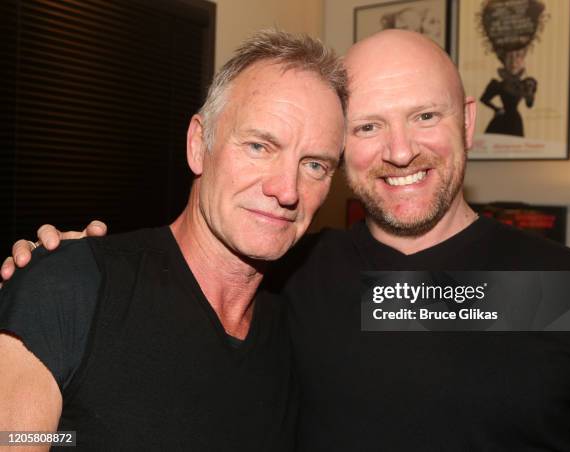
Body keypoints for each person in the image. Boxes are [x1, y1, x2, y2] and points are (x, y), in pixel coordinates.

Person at [4, 30, 570, 451]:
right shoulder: (303, 277)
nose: (400, 150)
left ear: (469, 122)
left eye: (426, 116)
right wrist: (68, 274)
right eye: (368, 126)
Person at [0, 29, 347, 450]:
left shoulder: (299, 325)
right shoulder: (69, 284)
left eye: (314, 165)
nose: (287, 190)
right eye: (259, 146)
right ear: (199, 144)